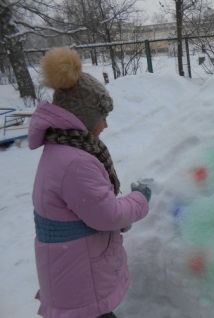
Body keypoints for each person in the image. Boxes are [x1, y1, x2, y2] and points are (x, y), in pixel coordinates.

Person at [28, 47, 152, 318]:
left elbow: (92, 209)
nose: (106, 125)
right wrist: (141, 199)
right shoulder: (75, 161)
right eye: (103, 117)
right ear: (84, 119)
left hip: (70, 269)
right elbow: (107, 215)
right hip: (79, 276)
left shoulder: (62, 149)